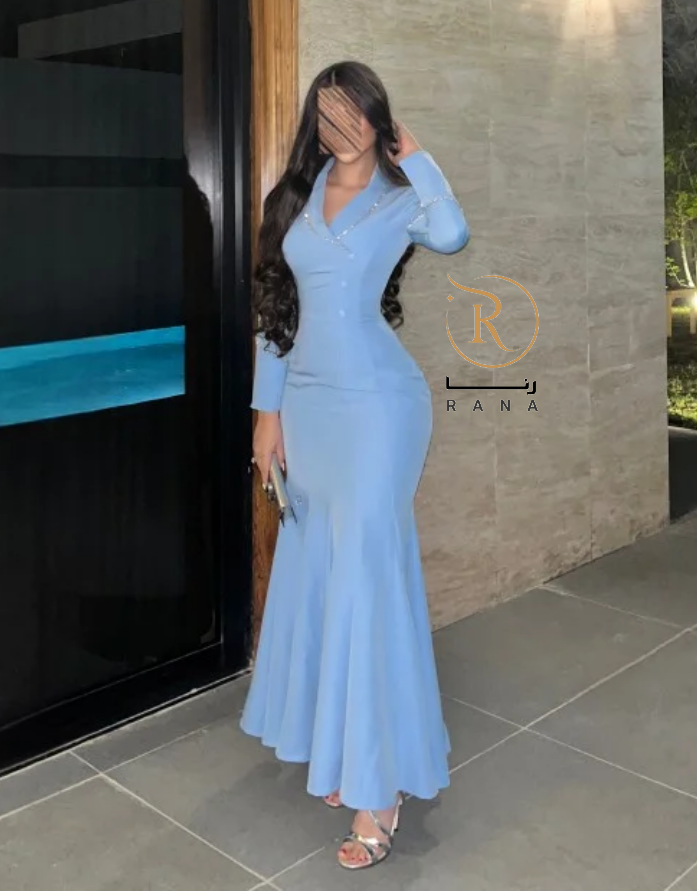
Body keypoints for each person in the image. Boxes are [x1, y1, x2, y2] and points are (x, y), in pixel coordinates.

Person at [240, 60, 469, 871]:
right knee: (324, 576)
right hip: (308, 410)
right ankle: (345, 749)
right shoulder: (293, 199)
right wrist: (267, 415)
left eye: (355, 113)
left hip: (378, 407)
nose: (341, 127)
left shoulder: (402, 200)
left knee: (367, 581)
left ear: (378, 119)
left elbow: (453, 234)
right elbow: (275, 312)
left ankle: (381, 789)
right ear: (315, 122)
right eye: (327, 113)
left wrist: (421, 158)